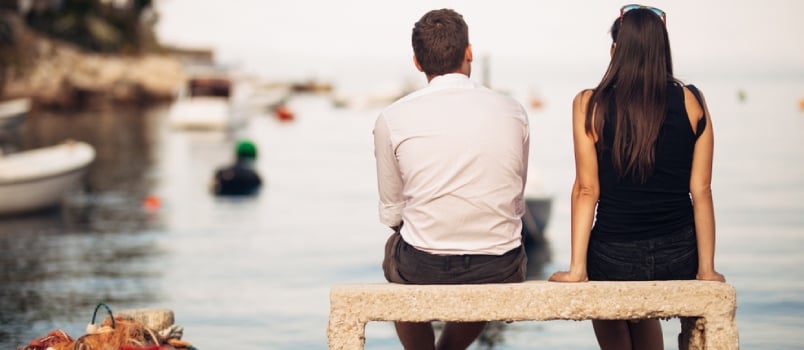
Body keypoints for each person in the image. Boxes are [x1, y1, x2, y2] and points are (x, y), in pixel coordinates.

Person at [548, 4, 726, 350]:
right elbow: (701, 190)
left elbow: (587, 190)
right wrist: (706, 269)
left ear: (615, 51)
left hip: (614, 255)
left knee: (612, 310)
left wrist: (576, 269)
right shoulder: (692, 100)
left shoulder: (589, 104)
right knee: (642, 315)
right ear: (662, 50)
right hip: (679, 255)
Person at [372, 8, 530, 350]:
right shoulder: (513, 111)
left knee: (394, 253)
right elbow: (516, 197)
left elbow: (391, 212)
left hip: (423, 265)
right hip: (499, 264)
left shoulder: (392, 117)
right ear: (468, 51)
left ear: (417, 62)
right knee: (489, 255)